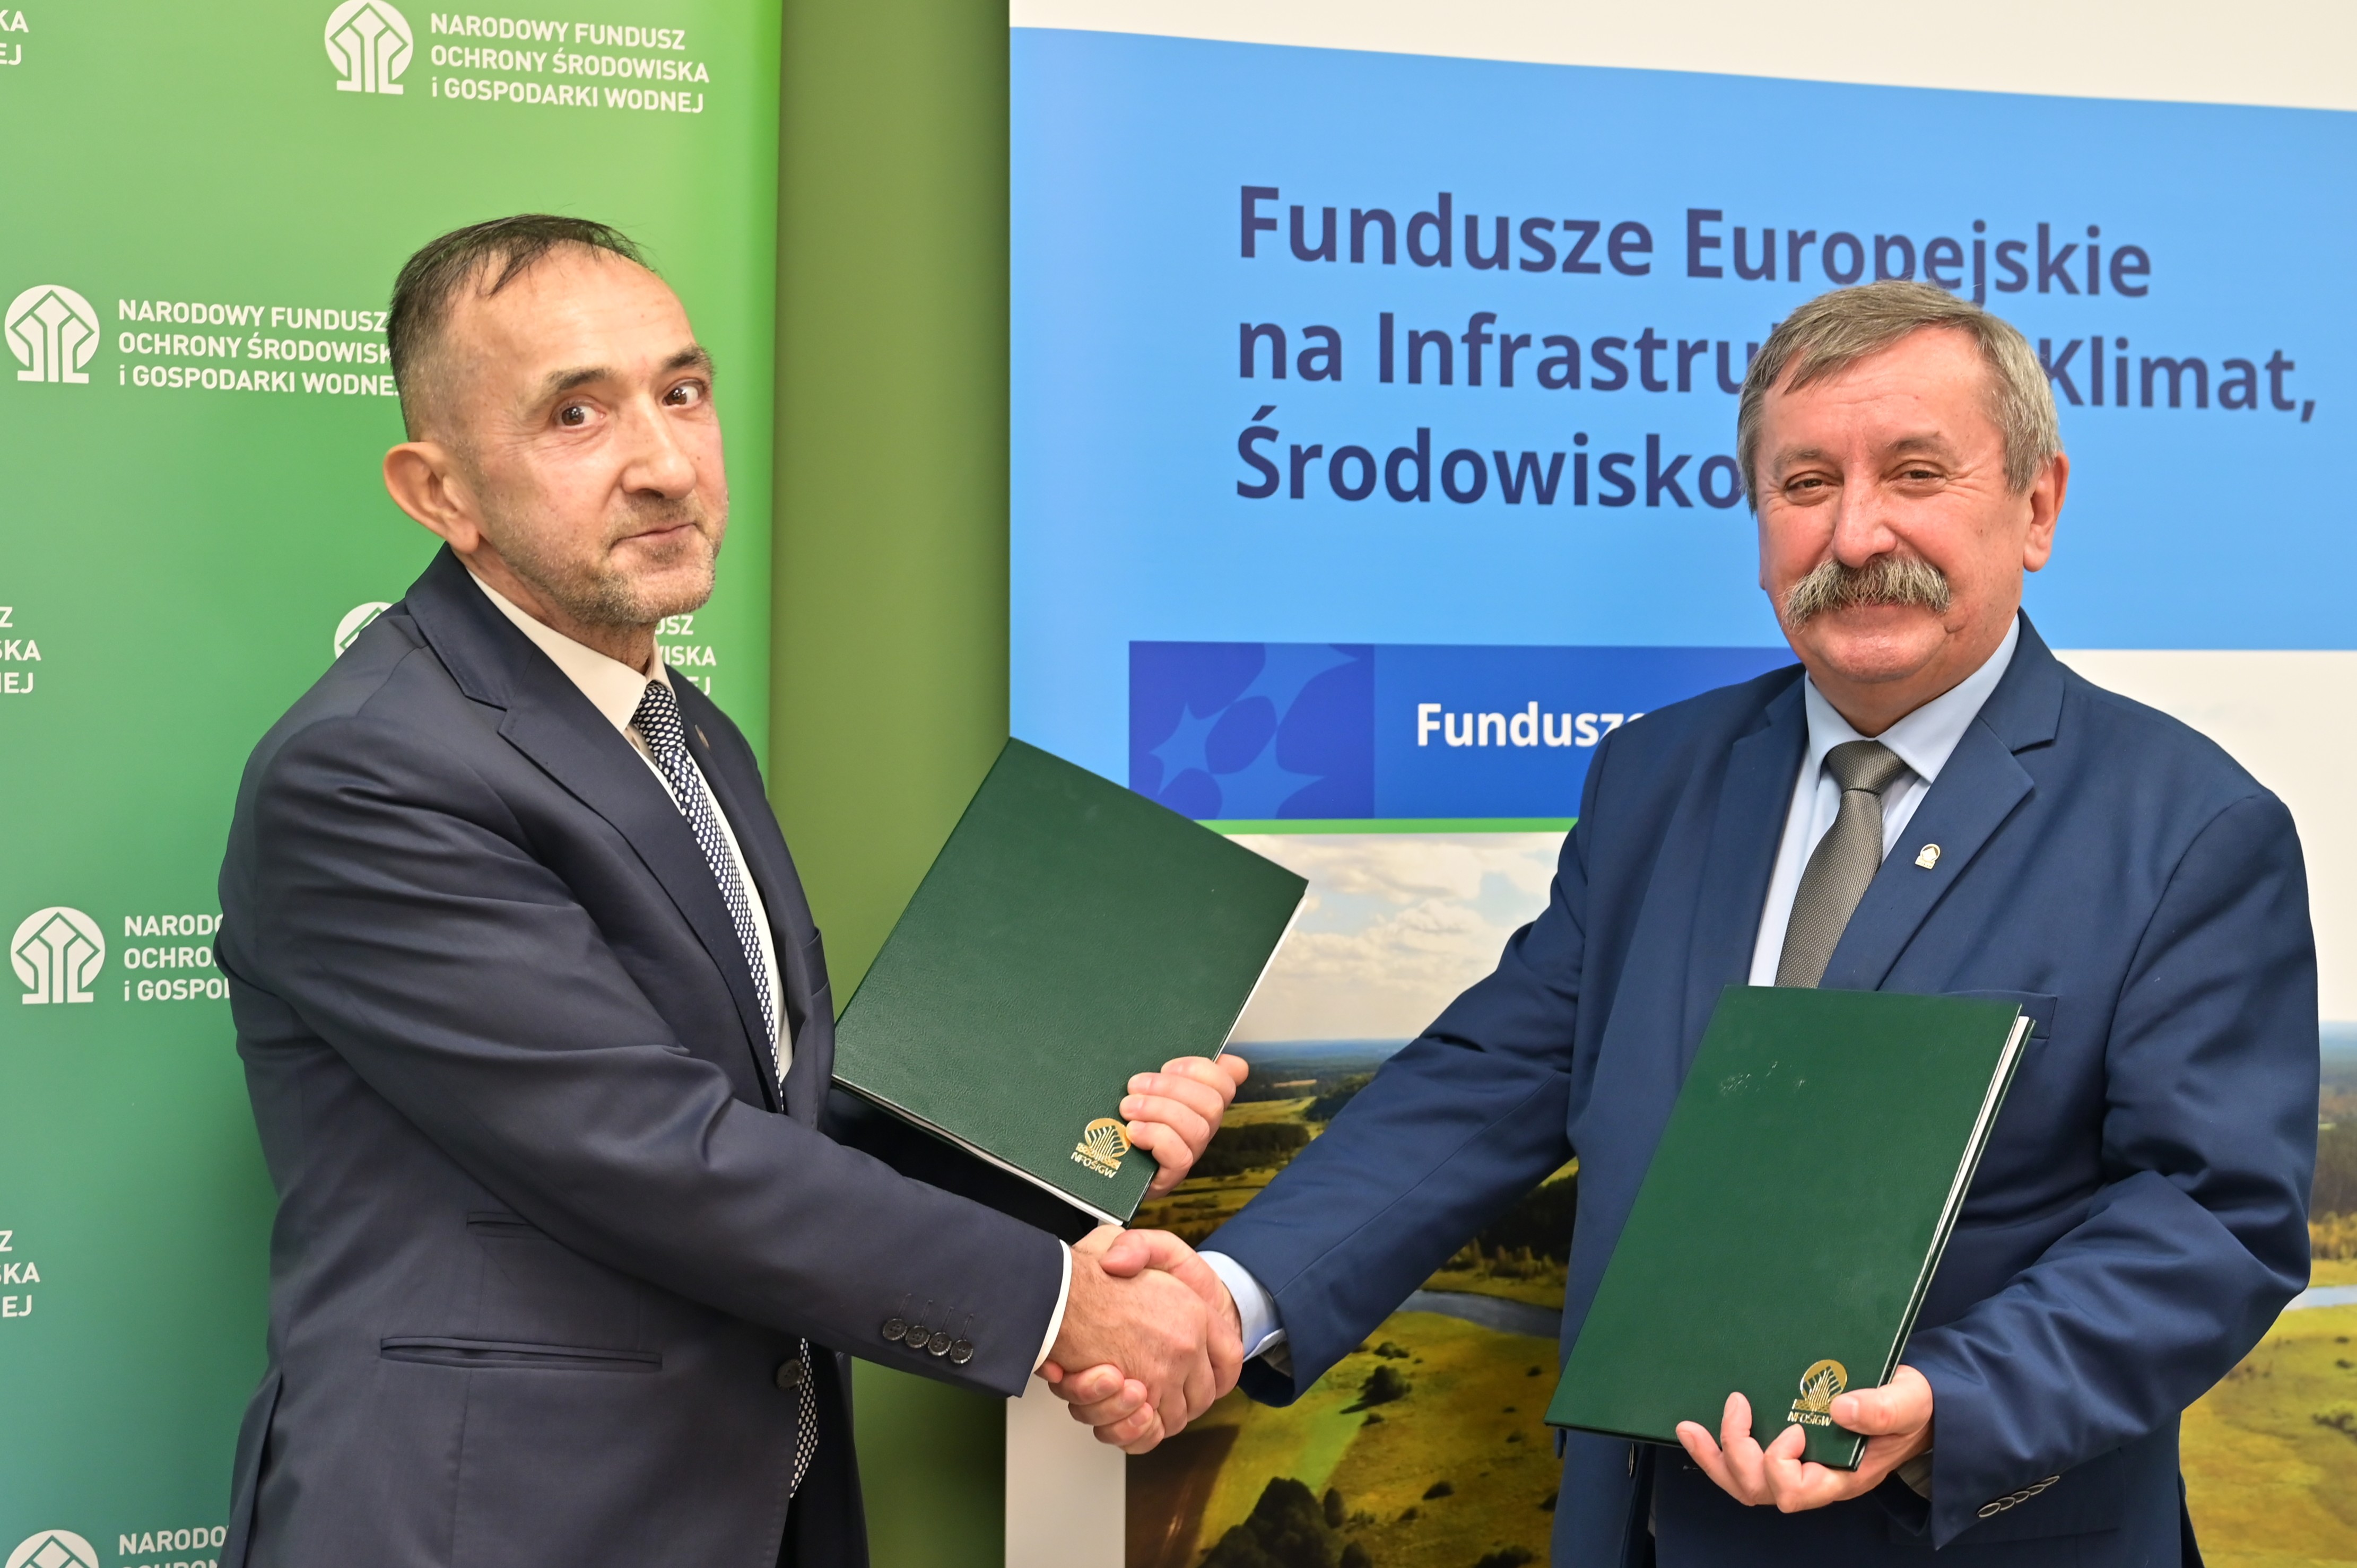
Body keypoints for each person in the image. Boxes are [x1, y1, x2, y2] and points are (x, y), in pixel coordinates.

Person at [1058, 281, 2319, 1565]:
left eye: (1915, 472)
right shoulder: (1654, 777)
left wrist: (1953, 1401)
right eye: (1804, 482)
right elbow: (1489, 1080)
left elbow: (2210, 1217)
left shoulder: (2188, 827)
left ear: (2036, 505)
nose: (1856, 531)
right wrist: (1227, 1297)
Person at [213, 215, 1240, 1568]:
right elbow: (656, 1149)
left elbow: (770, 1121)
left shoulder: (682, 727)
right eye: (576, 414)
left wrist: (1076, 1134)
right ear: (439, 491)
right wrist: (1062, 1305)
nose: (663, 462)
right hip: (495, 1527)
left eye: (683, 392)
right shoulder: (366, 771)